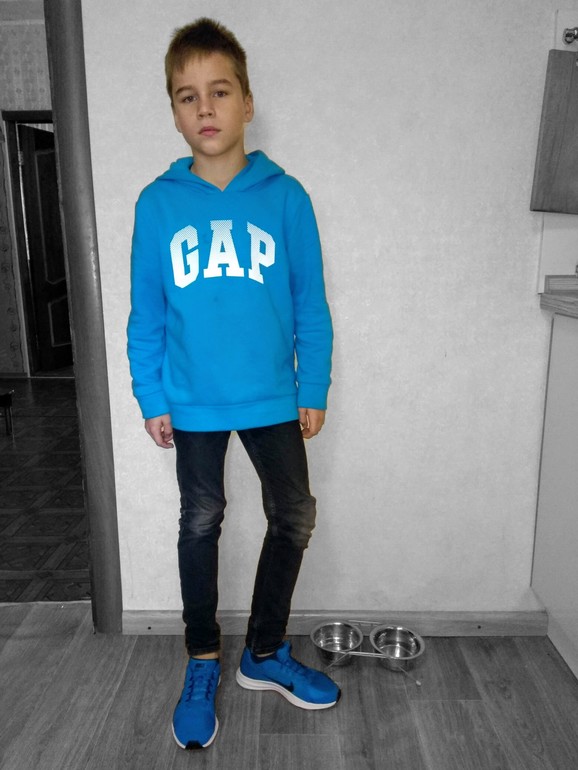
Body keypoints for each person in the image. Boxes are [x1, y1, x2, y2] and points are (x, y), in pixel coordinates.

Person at [127, 17, 338, 751]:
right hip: (192, 401)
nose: (205, 108)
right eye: (187, 97)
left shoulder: (286, 197)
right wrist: (152, 396)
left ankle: (265, 652)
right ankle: (201, 659)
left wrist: (314, 384)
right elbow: (146, 313)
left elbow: (310, 303)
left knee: (295, 514)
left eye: (219, 92)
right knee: (201, 521)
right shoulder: (157, 204)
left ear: (247, 102)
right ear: (174, 112)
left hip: (273, 395)